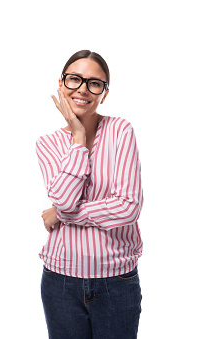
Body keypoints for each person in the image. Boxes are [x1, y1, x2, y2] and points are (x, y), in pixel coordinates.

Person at [36, 50, 143, 339]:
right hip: (60, 281)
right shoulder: (47, 144)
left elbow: (127, 207)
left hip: (116, 281)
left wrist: (60, 214)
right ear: (61, 85)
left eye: (94, 83)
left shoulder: (121, 130)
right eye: (74, 80)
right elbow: (66, 199)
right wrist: (78, 139)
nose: (83, 88)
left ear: (104, 94)